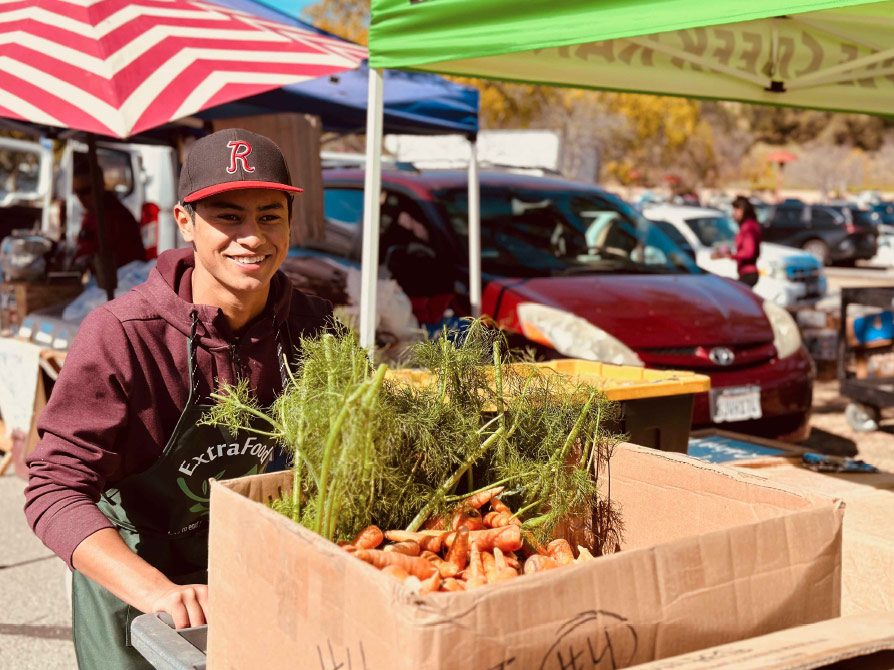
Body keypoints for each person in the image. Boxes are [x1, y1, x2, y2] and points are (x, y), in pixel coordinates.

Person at [24, 129, 332, 669]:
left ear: (290, 221)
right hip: (138, 590)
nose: (252, 237)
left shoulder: (314, 329)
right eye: (229, 217)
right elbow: (53, 490)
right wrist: (157, 591)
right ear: (185, 221)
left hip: (252, 578)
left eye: (269, 216)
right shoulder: (122, 333)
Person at [70, 153, 148, 282]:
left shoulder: (117, 218)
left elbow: (126, 265)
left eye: (86, 191)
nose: (81, 198)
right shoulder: (91, 214)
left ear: (100, 185)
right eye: (77, 192)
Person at [714, 195, 762, 287]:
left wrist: (730, 255)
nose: (734, 213)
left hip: (749, 272)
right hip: (745, 272)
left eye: (737, 210)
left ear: (744, 210)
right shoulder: (749, 225)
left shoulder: (748, 227)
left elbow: (749, 252)